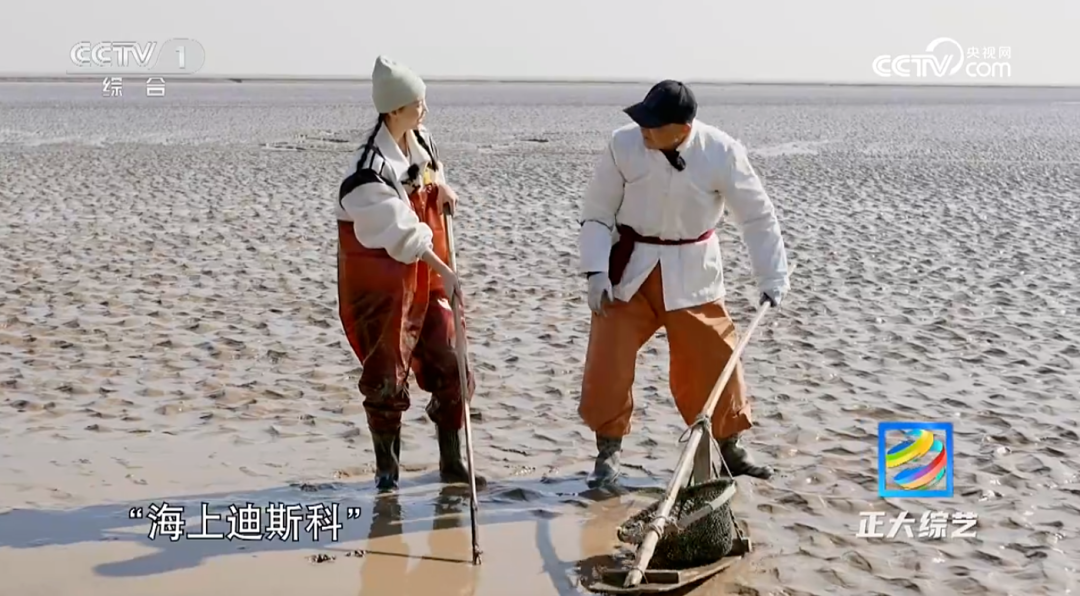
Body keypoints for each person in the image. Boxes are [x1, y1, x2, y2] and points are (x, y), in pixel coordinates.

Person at [576, 80, 790, 488]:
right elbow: (597, 212)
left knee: (715, 358)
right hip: (630, 271)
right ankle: (607, 453)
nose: (644, 129)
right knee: (608, 360)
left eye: (653, 124)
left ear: (683, 129)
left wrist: (772, 276)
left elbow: (756, 216)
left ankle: (730, 448)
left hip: (693, 272)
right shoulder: (622, 145)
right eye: (642, 120)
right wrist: (596, 272)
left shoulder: (721, 151)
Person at [336, 55, 485, 492]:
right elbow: (404, 234)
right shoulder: (366, 174)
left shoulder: (421, 140)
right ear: (393, 110)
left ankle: (452, 461)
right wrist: (447, 272)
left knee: (452, 361)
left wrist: (443, 188)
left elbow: (431, 175)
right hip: (382, 283)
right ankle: (387, 474)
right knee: (386, 376)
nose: (425, 109)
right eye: (418, 103)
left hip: (426, 277)